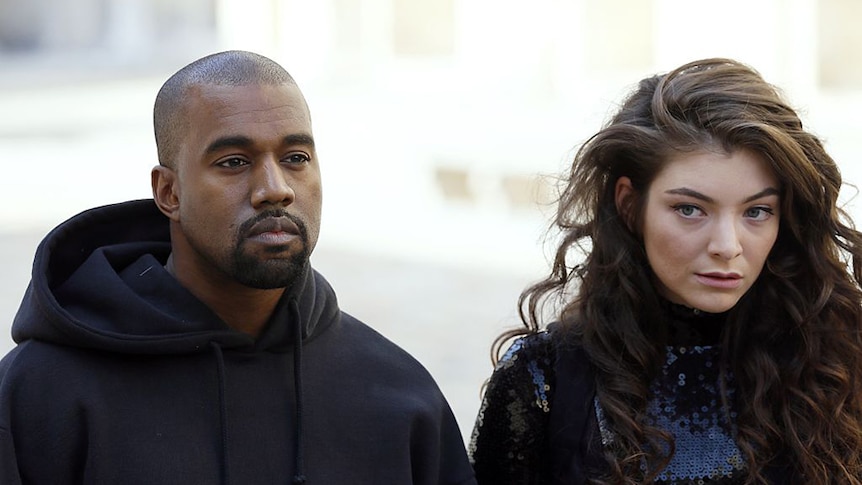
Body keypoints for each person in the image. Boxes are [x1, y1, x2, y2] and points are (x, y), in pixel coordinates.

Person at [0, 50, 476, 485]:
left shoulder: (400, 396)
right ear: (169, 193)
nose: (275, 188)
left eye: (296, 158)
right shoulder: (42, 396)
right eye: (233, 161)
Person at [469, 58, 862, 484]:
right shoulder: (544, 379)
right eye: (690, 209)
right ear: (629, 205)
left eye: (757, 211)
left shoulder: (839, 363)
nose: (728, 247)